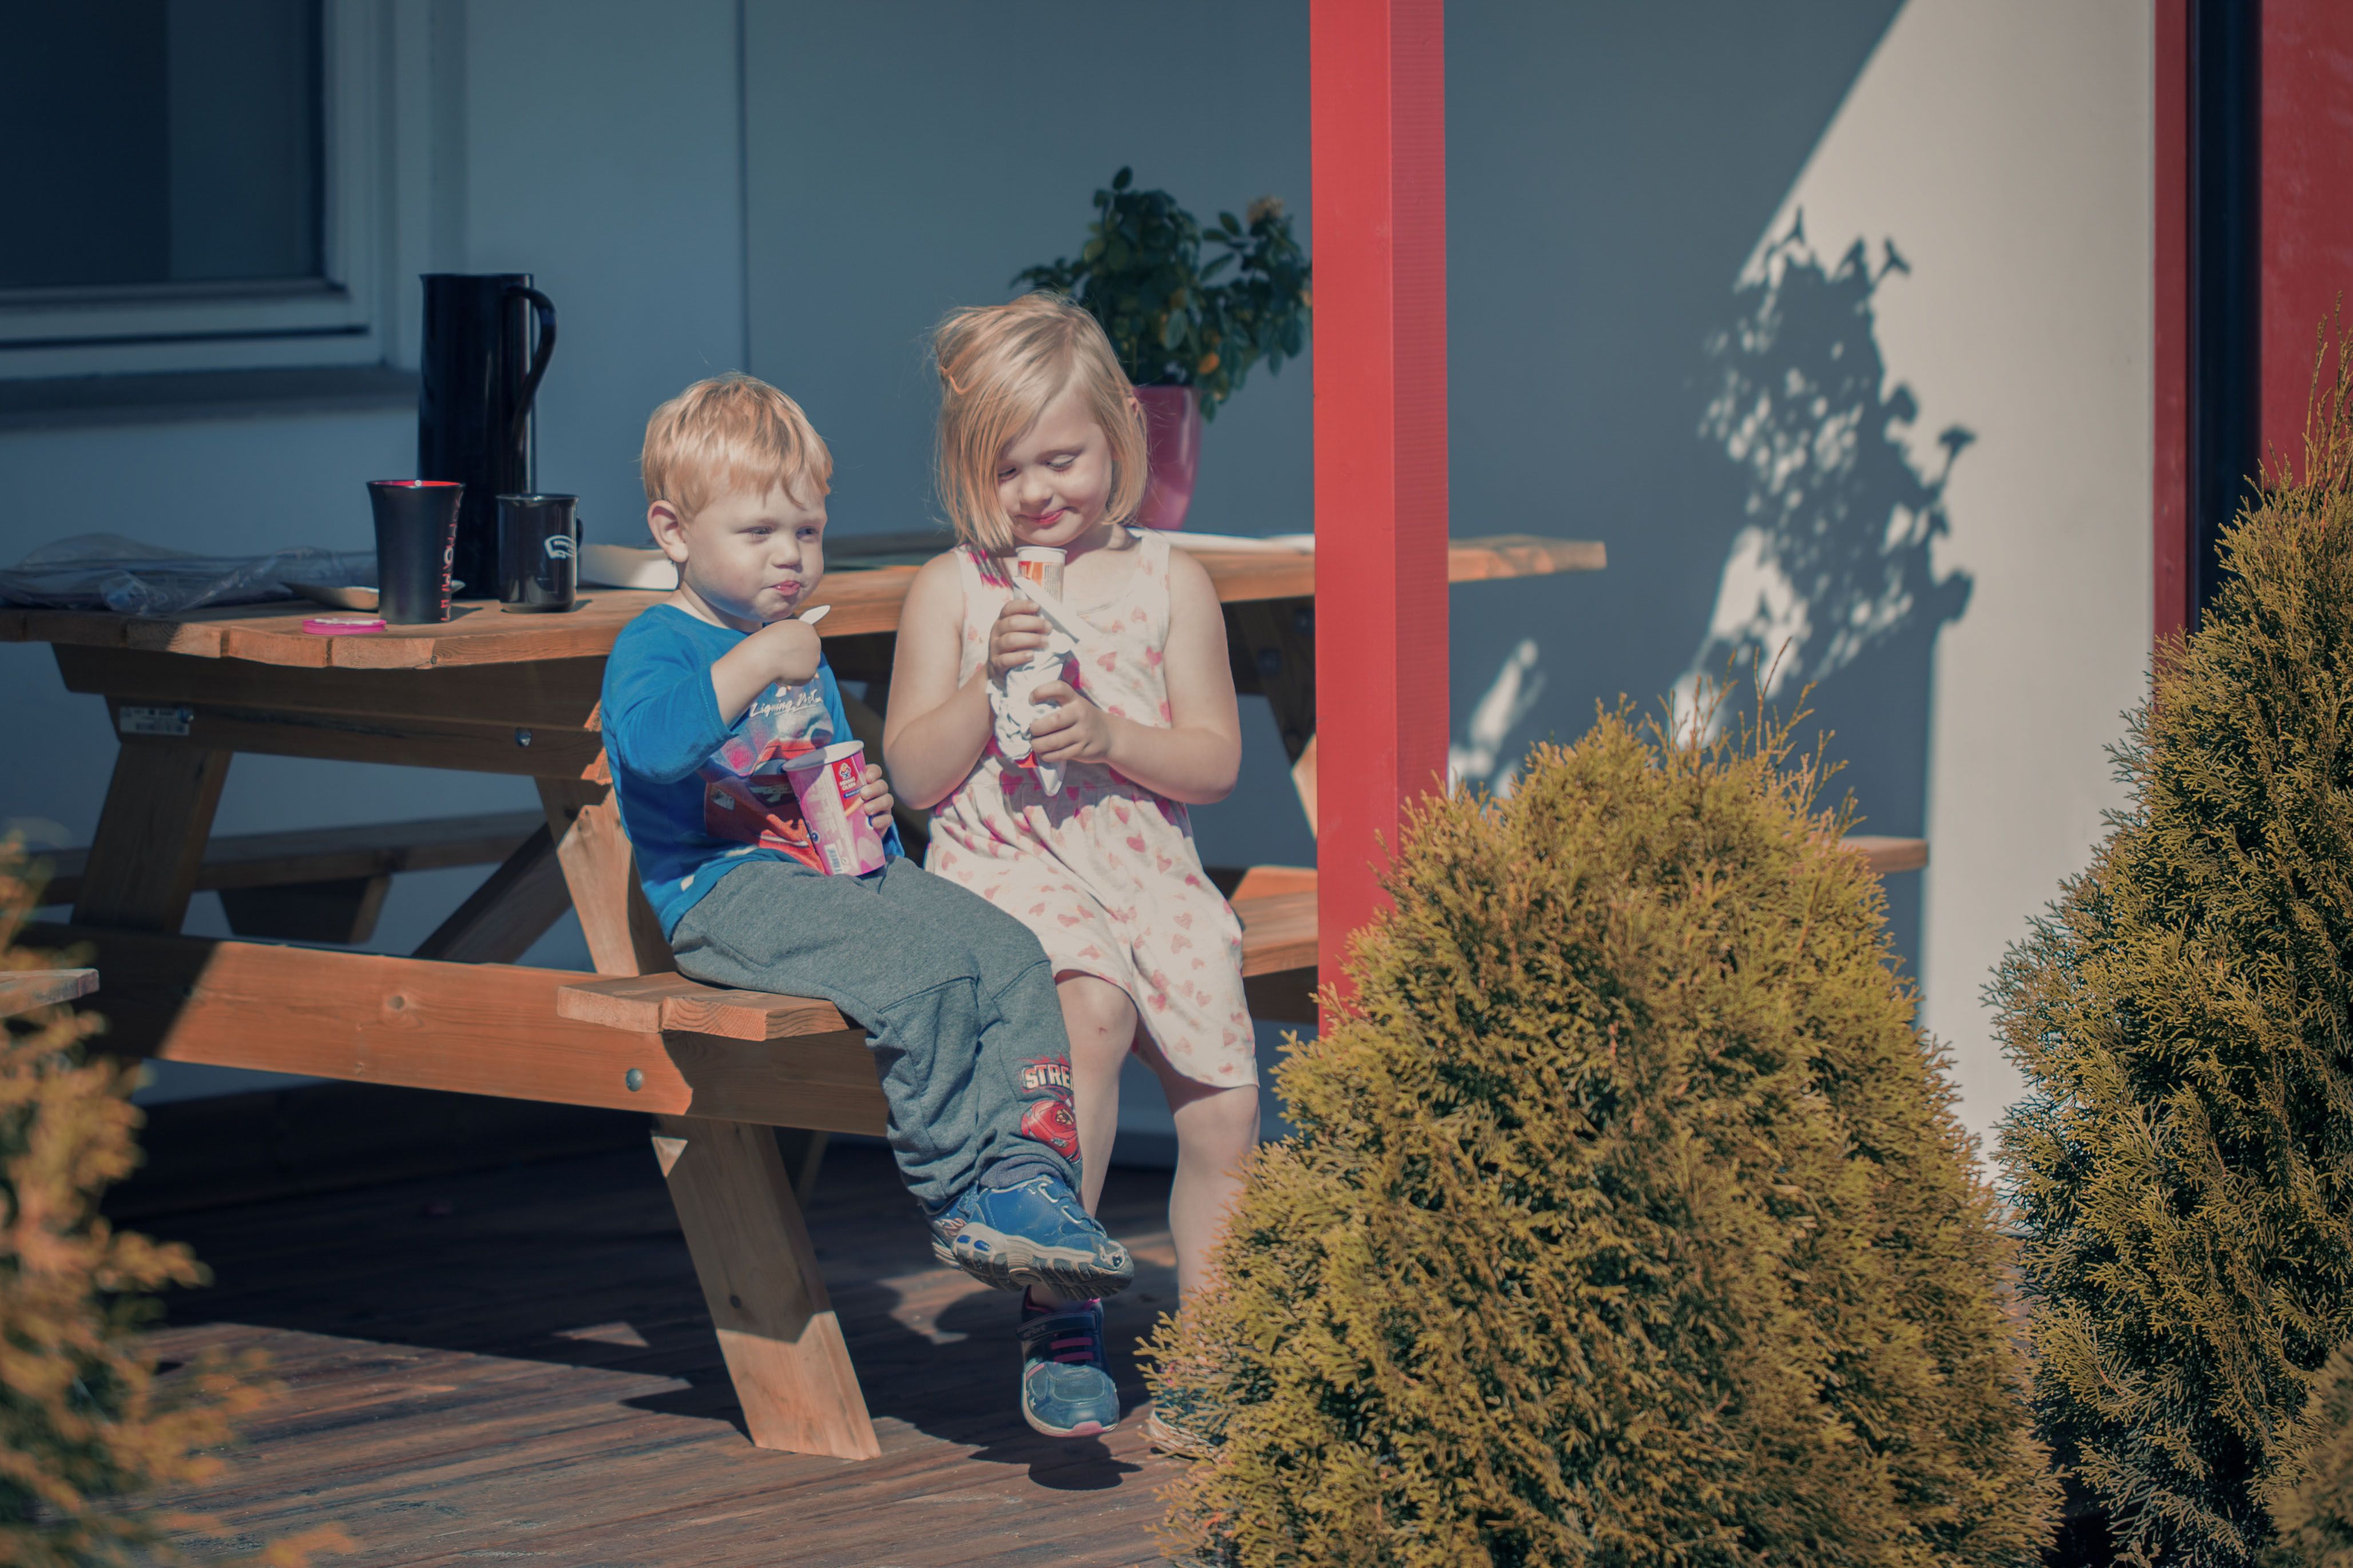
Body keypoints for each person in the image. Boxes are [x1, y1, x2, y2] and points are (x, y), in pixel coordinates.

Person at [599, 372, 1133, 1336]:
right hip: (725, 890)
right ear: (674, 532)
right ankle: (961, 1195)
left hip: (843, 874)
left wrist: (870, 806)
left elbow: (819, 772)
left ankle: (1029, 1176)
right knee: (923, 976)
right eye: (758, 533)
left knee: (1011, 954)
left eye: (805, 532)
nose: (789, 558)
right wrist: (753, 661)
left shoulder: (789, 640)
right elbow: (648, 748)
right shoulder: (662, 642)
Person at [884, 295, 1259, 1450]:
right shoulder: (953, 590)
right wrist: (973, 687)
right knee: (1082, 1016)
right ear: (966, 473)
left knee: (1225, 1110)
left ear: (1118, 442)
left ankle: (1214, 1348)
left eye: (1064, 458)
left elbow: (1213, 762)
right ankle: (1060, 1316)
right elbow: (910, 775)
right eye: (1007, 471)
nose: (1041, 492)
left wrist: (1109, 738)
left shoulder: (1166, 582)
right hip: (1009, 859)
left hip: (1147, 865)